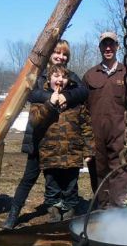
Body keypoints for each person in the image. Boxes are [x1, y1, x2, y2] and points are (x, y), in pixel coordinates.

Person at [3, 40, 88, 229]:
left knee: (62, 177)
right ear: (50, 54)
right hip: (38, 135)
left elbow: (83, 92)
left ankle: (63, 208)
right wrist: (49, 97)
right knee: (29, 177)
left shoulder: (70, 77)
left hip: (60, 139)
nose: (60, 57)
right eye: (57, 52)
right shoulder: (39, 76)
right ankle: (13, 215)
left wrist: (67, 96)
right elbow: (30, 94)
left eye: (64, 54)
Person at [83, 31, 127, 208]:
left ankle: (119, 215)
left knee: (121, 174)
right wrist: (85, 141)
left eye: (112, 44)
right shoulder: (90, 75)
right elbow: (83, 111)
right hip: (97, 138)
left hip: (121, 136)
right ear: (100, 47)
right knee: (99, 174)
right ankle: (102, 212)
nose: (108, 48)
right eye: (104, 44)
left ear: (118, 46)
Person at [30, 64, 94, 222]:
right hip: (50, 152)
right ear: (49, 79)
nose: (60, 80)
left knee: (71, 186)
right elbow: (35, 122)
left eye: (64, 77)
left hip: (72, 152)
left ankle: (69, 209)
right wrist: (50, 104)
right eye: (56, 76)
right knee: (52, 186)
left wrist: (89, 150)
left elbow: (86, 126)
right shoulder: (41, 99)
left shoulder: (74, 100)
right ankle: (54, 209)